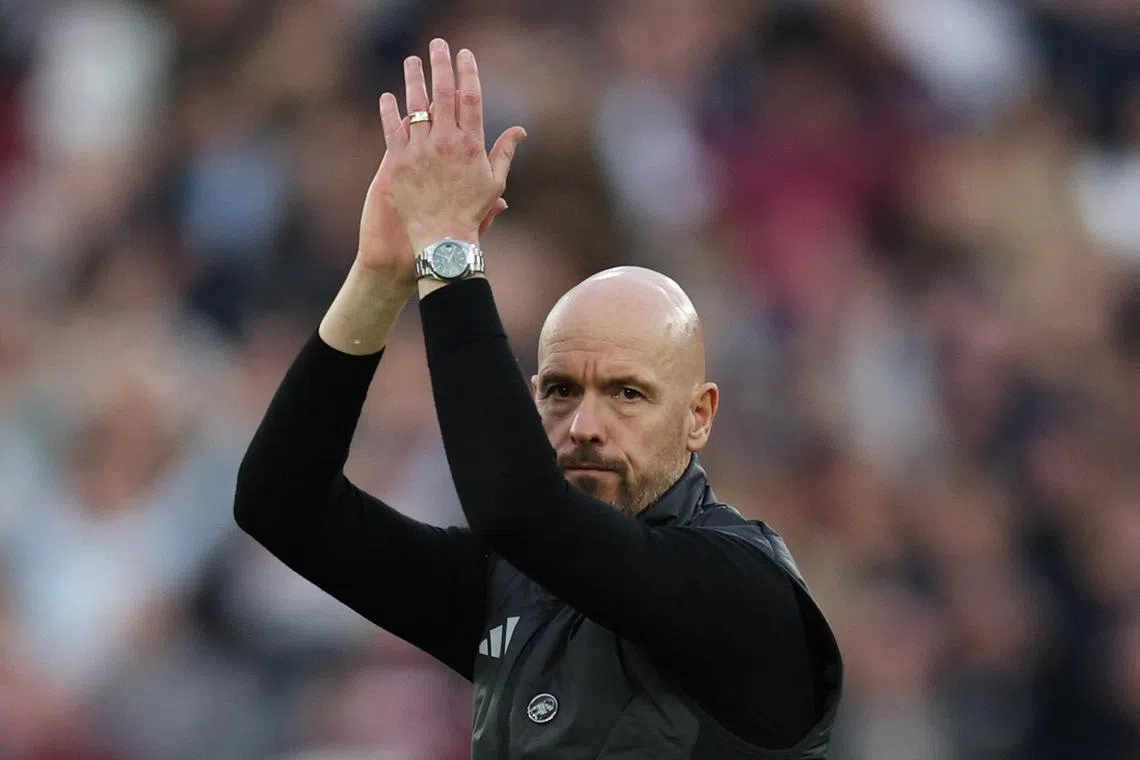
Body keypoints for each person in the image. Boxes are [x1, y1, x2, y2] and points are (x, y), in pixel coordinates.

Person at [234, 38, 842, 759]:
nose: (585, 425)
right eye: (560, 391)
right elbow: (282, 504)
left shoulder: (741, 587)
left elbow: (518, 511)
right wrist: (379, 277)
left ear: (699, 416)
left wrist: (449, 250)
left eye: (627, 394)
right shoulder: (513, 590)